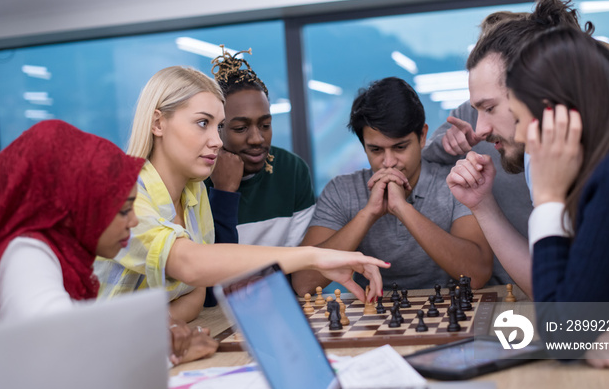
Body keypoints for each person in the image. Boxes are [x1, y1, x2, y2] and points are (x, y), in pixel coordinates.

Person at [93, 66, 388, 323]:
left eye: (219, 126)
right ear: (158, 123)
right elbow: (191, 265)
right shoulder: (124, 193)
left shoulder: (193, 191)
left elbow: (196, 296)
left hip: (145, 348)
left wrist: (161, 330)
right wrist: (314, 256)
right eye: (202, 123)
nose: (216, 141)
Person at [0, 120, 216, 389]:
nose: (133, 222)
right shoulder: (26, 253)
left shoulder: (67, 256)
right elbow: (71, 356)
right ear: (80, 206)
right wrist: (165, 352)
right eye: (123, 211)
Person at [504, 27, 609, 389]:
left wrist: (548, 199)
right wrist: (591, 330)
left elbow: (562, 330)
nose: (521, 136)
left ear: (557, 117)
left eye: (519, 119)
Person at [437, 0, 585, 297]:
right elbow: (552, 290)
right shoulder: (534, 153)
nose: (480, 130)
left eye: (489, 108)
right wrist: (482, 205)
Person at [292, 77, 493, 294]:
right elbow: (303, 284)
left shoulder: (455, 183)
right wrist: (368, 214)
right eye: (376, 150)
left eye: (400, 147)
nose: (388, 162)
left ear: (423, 136)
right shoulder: (341, 191)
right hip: (372, 321)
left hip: (451, 318)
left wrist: (403, 209)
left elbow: (477, 275)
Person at [208, 47, 315, 247]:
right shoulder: (196, 176)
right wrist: (223, 193)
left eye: (265, 125)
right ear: (217, 129)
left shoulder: (291, 170)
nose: (257, 139)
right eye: (241, 128)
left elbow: (299, 261)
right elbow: (205, 265)